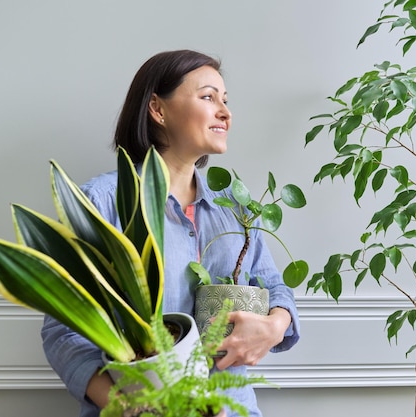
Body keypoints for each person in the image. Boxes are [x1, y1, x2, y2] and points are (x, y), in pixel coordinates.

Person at [41, 49, 300, 417]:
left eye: (225, 101)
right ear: (158, 109)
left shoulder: (236, 208)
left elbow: (276, 287)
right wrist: (130, 405)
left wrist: (275, 326)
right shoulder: (103, 202)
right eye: (208, 97)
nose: (225, 112)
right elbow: (62, 330)